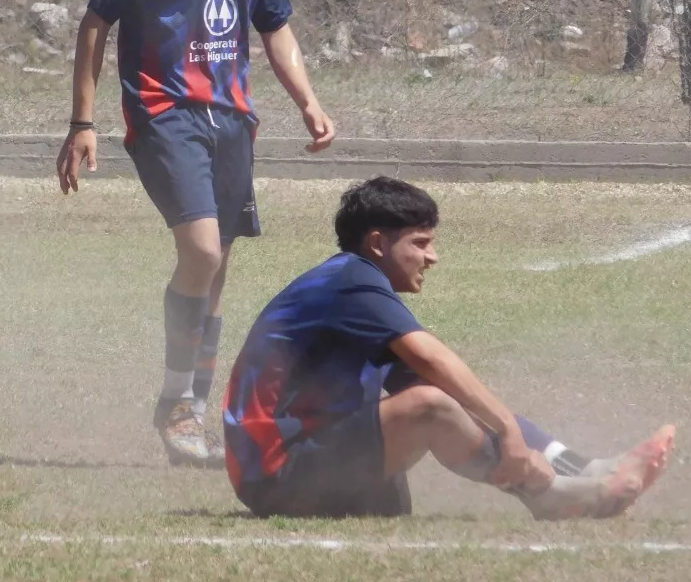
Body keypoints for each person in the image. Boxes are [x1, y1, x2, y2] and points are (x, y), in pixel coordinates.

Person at [57, 0, 335, 466]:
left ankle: (192, 418)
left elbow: (275, 27)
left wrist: (307, 99)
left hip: (231, 118)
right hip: (163, 112)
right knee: (202, 254)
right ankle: (175, 402)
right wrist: (82, 121)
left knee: (216, 274)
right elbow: (97, 22)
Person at [223, 176, 675, 519]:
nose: (432, 257)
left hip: (314, 459)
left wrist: (552, 452)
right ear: (377, 243)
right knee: (429, 405)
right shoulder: (350, 280)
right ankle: (548, 496)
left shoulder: (356, 292)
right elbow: (433, 360)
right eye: (420, 243)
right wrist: (509, 434)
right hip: (277, 473)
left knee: (434, 396)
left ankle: (582, 468)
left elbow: (442, 384)